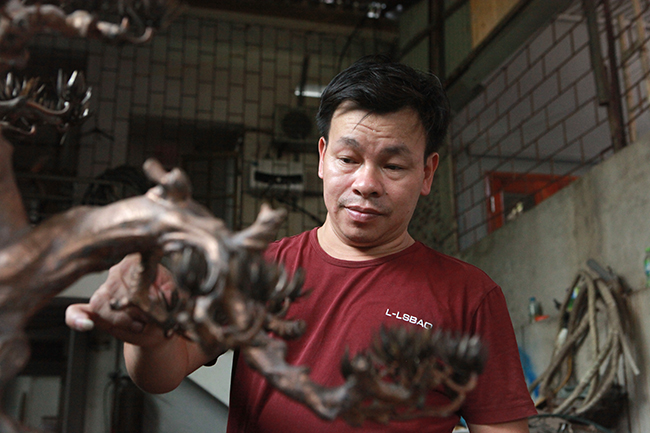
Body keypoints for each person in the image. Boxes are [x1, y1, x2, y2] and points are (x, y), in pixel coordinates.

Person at [66, 55, 537, 432]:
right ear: (321, 158)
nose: (365, 183)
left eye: (393, 166)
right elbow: (160, 374)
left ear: (427, 172)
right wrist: (147, 333)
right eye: (348, 158)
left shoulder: (469, 297)